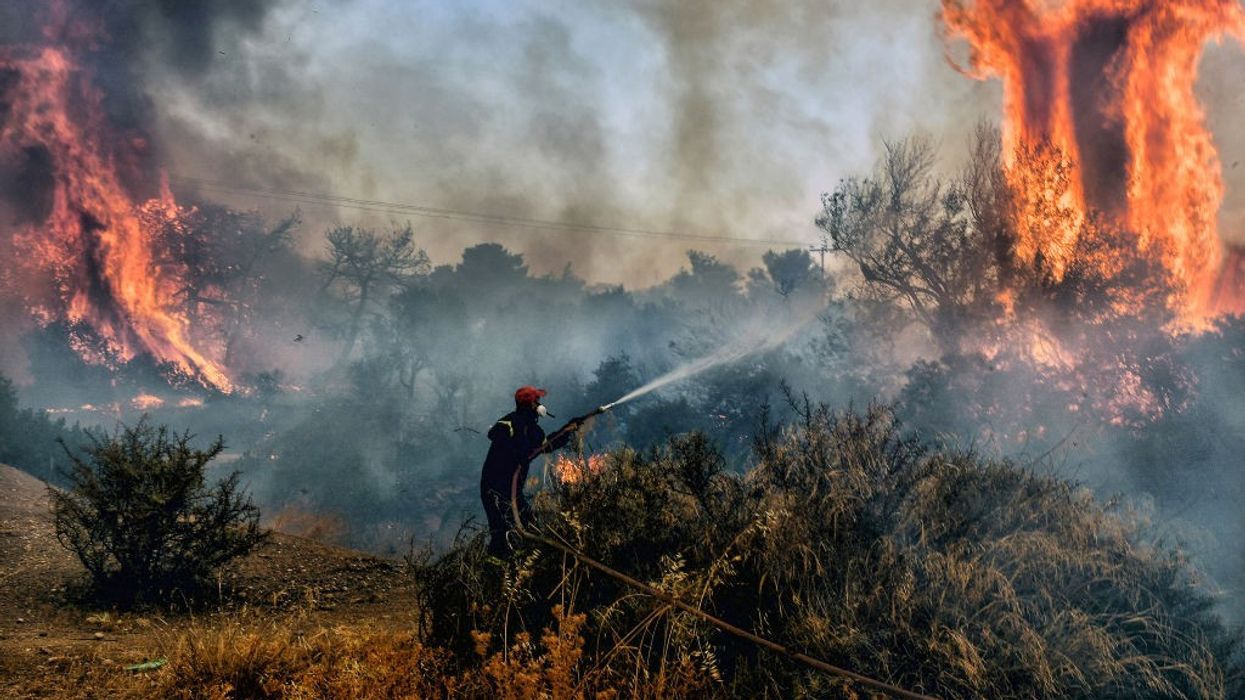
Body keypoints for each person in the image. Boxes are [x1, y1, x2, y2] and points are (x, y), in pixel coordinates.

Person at [480, 386, 580, 559]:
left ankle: (520, 562)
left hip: (512, 489)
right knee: (501, 531)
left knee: (527, 523)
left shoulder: (535, 431)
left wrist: (568, 429)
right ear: (531, 404)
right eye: (536, 401)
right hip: (494, 486)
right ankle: (497, 569)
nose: (539, 404)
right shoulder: (510, 421)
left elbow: (548, 445)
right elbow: (494, 433)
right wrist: (518, 452)